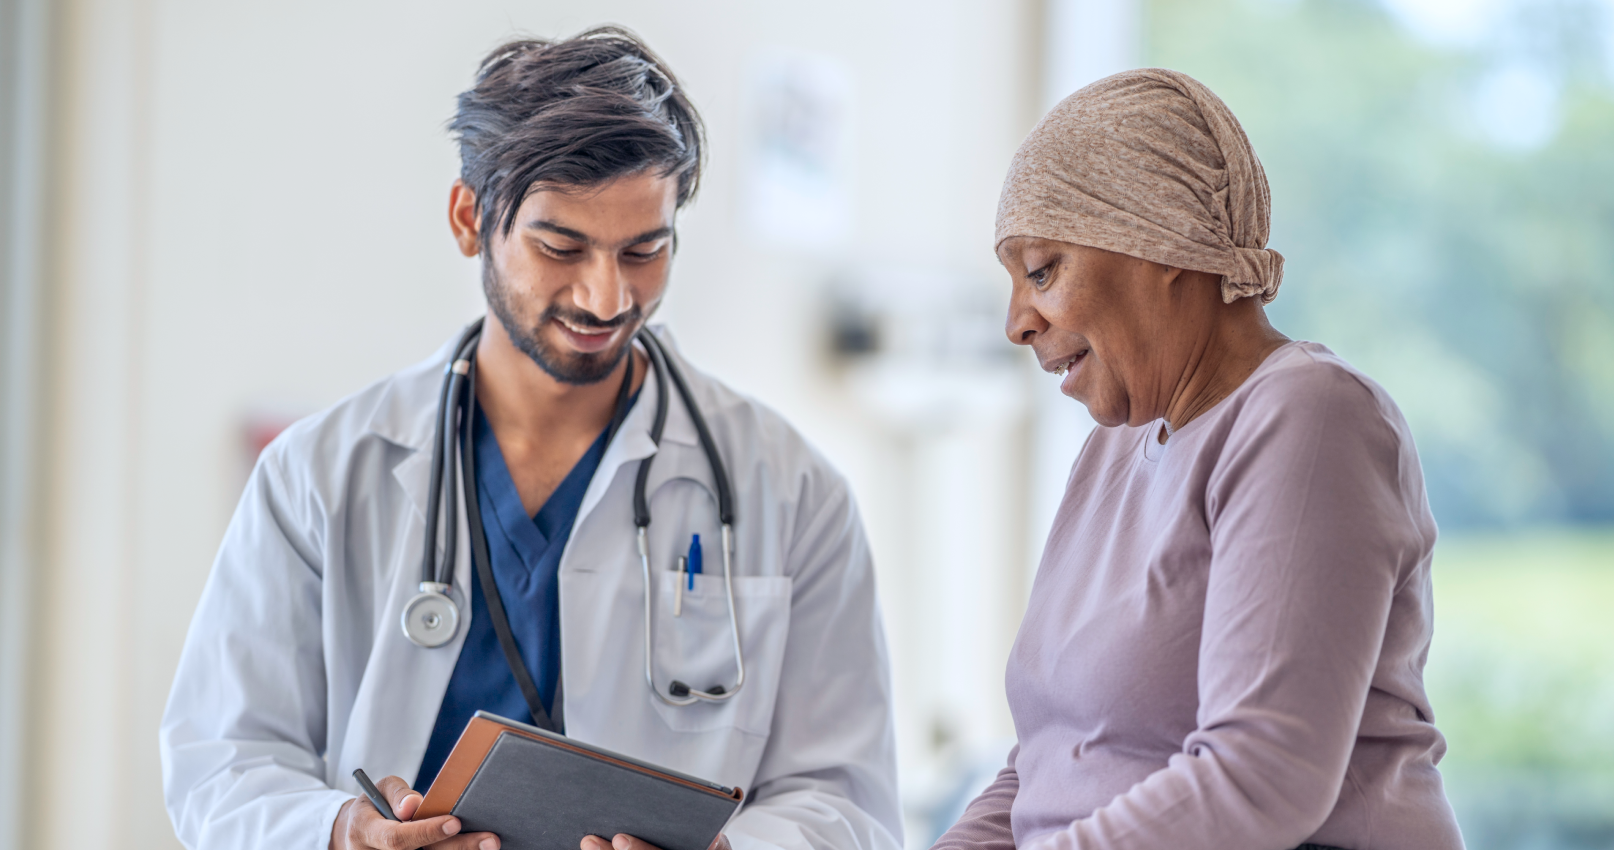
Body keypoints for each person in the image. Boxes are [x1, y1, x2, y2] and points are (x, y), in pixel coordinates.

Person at [160, 29, 900, 850]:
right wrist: (344, 832)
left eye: (645, 250)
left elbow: (847, 798)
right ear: (470, 217)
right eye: (561, 247)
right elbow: (220, 760)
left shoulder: (791, 491)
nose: (605, 295)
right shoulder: (320, 474)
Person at [931, 69, 1465, 850]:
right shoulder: (1110, 451)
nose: (1017, 320)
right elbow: (1050, 761)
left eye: (1042, 271)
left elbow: (1263, 776)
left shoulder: (1311, 416)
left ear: (1163, 242)